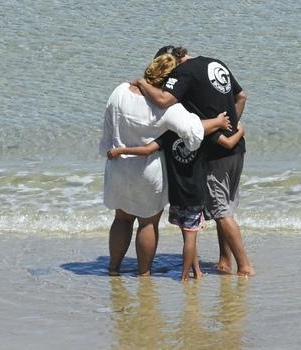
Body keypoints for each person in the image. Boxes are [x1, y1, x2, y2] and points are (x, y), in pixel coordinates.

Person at [99, 54, 231, 276]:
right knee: (147, 224)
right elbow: (193, 132)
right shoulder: (168, 107)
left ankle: (113, 268)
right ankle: (143, 273)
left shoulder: (119, 91)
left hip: (118, 166)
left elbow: (108, 127)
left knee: (121, 219)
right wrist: (217, 122)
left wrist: (106, 151)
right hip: (148, 171)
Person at [135, 46, 255, 276]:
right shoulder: (214, 62)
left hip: (215, 152)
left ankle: (245, 266)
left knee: (221, 211)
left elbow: (163, 100)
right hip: (236, 150)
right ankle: (224, 260)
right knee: (226, 207)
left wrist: (142, 83)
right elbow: (241, 97)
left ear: (174, 60)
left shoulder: (185, 71)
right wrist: (230, 127)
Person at [108, 122, 245, 280]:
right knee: (190, 237)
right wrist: (239, 130)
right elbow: (228, 144)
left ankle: (197, 271)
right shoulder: (200, 135)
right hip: (195, 196)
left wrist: (121, 150)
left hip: (176, 196)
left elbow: (147, 150)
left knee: (186, 234)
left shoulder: (168, 134)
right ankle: (185, 276)